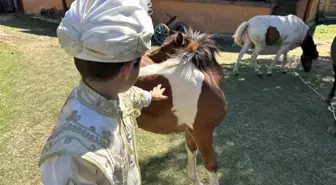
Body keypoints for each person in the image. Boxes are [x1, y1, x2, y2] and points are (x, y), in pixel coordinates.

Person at [38, 0, 167, 184]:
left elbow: (129, 96)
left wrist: (150, 96)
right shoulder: (69, 157)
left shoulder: (109, 94)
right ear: (127, 69)